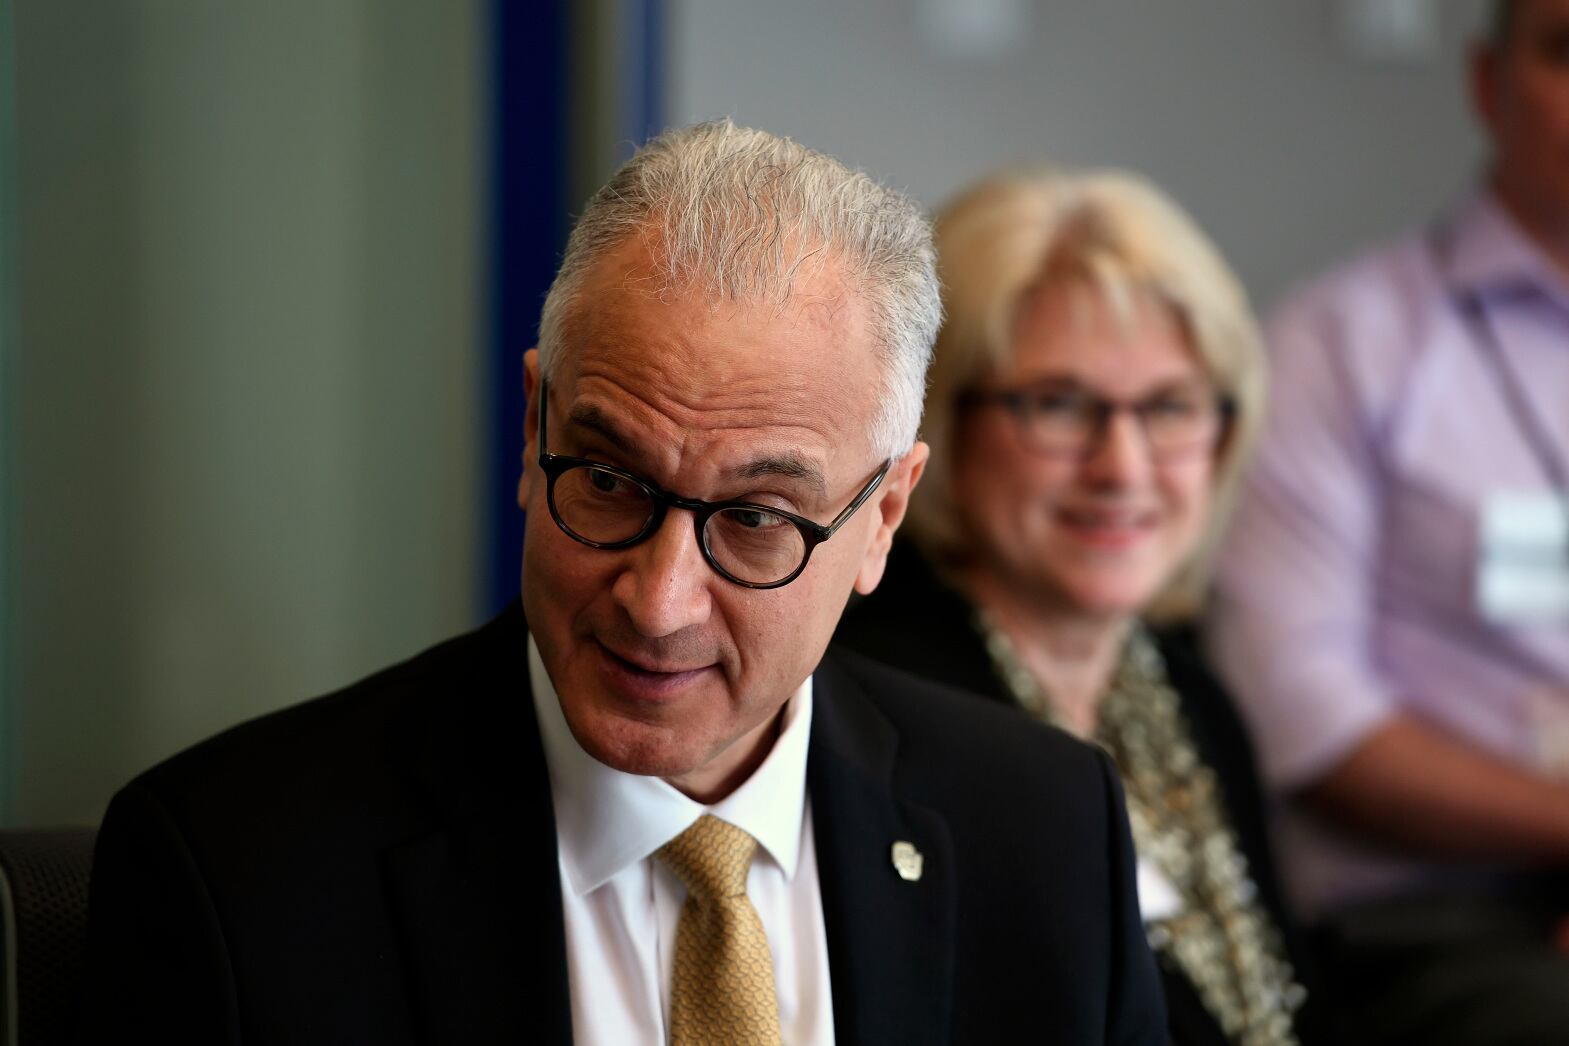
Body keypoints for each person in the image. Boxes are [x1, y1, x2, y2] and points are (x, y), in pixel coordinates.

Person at [76, 121, 1166, 1044]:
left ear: (882, 517)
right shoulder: (235, 871)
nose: (658, 601)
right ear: (533, 426)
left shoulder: (1045, 833)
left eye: (755, 519)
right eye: (607, 481)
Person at [836, 167, 1314, 1046]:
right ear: (936, 422)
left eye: (1168, 406)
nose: (1122, 468)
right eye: (1058, 405)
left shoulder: (1192, 699)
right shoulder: (874, 718)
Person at [1207, 1, 1569, 1042]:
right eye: (1567, 51)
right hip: (1438, 919)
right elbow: (1302, 715)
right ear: (1488, 83)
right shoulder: (1341, 343)